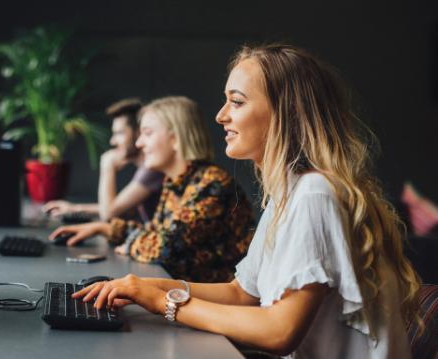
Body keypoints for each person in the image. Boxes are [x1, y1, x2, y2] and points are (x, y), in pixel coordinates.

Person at [73, 45, 422, 358]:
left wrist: (164, 303)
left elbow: (279, 332)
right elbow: (242, 293)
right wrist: (146, 287)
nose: (221, 115)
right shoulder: (287, 193)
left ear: (286, 114)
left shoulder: (315, 193)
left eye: (236, 102)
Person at [50, 96, 254, 283]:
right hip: (188, 296)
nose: (139, 143)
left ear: (175, 139)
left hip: (220, 309)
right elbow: (156, 232)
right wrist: (104, 228)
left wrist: (130, 245)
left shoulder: (212, 184)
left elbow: (165, 248)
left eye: (147, 133)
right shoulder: (174, 182)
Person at [43, 98, 164, 222]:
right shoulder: (147, 168)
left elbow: (108, 213)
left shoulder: (152, 170)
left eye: (119, 133)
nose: (112, 141)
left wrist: (107, 166)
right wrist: (74, 208)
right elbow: (119, 207)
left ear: (138, 133)